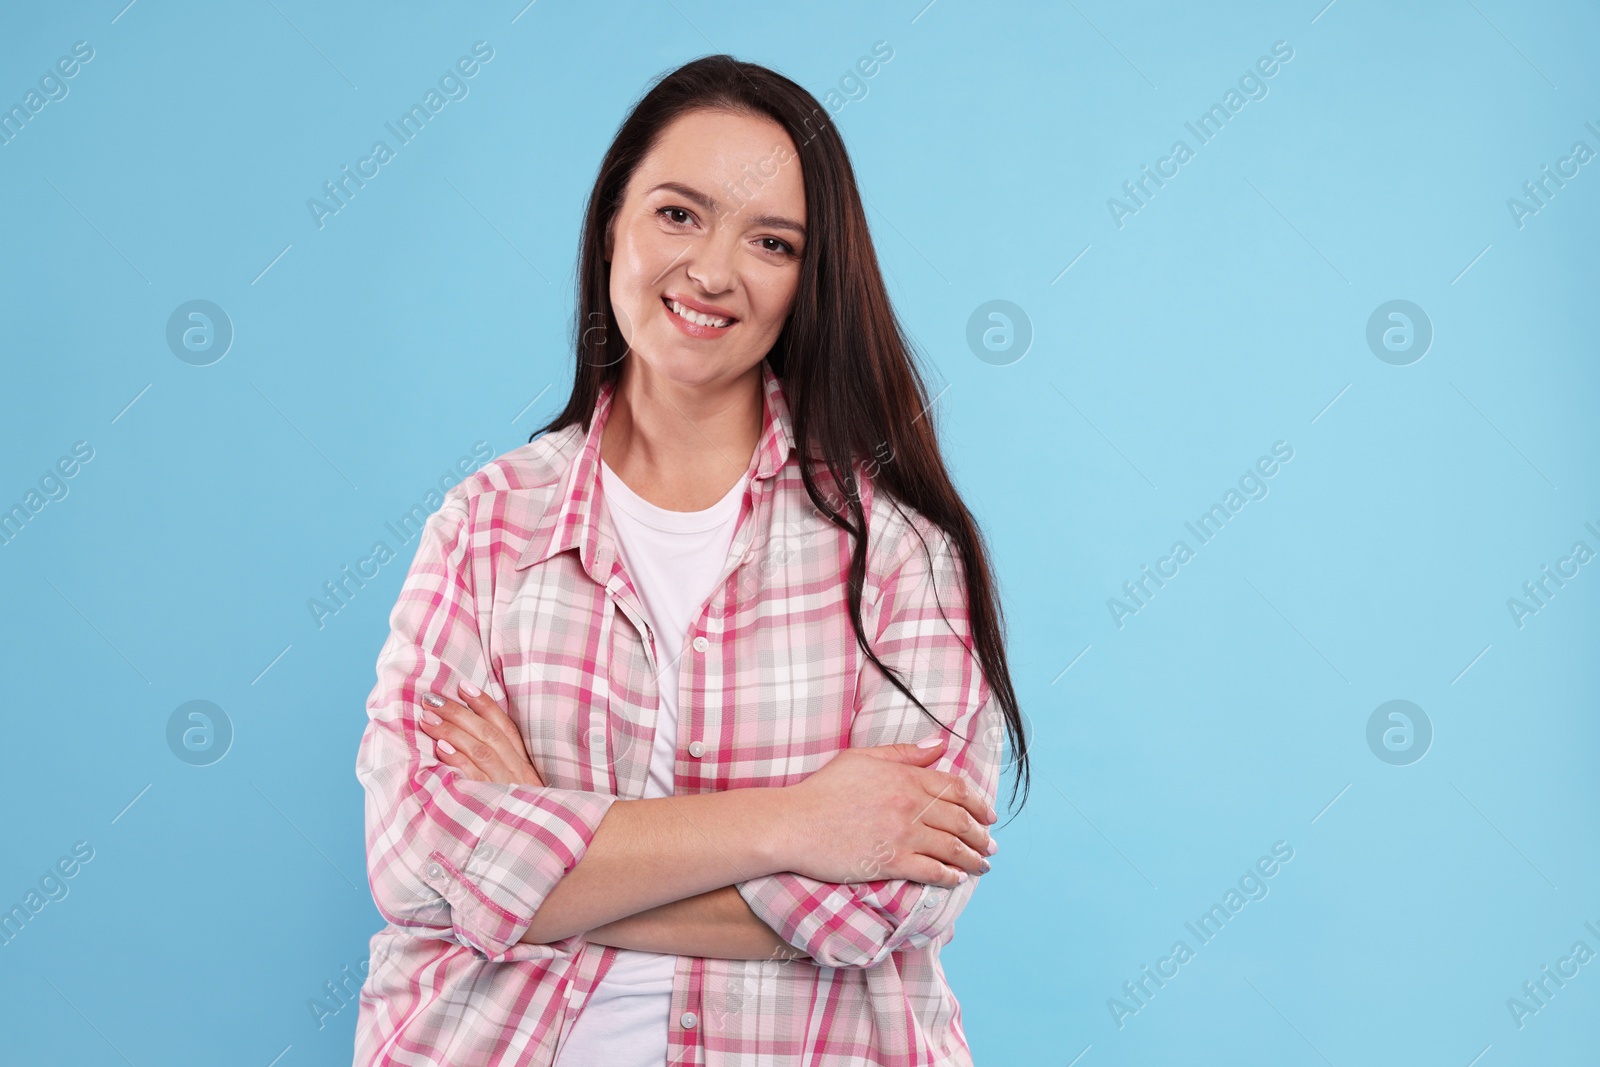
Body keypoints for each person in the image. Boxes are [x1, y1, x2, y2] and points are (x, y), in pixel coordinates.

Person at [352, 53, 1029, 1067]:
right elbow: (421, 863)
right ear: (611, 221)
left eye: (770, 241)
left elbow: (890, 901)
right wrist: (800, 821)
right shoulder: (489, 523)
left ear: (809, 280)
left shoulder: (897, 551)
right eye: (678, 213)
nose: (713, 270)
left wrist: (543, 846)